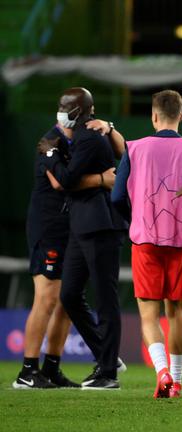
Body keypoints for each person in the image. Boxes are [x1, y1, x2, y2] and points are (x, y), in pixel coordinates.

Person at [110, 90, 182, 398]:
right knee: (177, 312)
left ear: (153, 116)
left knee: (149, 315)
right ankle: (176, 380)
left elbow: (117, 197)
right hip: (179, 240)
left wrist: (135, 219)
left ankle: (161, 373)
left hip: (144, 239)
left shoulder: (133, 150)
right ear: (181, 116)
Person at [13, 116, 118, 389]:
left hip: (68, 226)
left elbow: (121, 151)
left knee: (64, 300)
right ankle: (27, 370)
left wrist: (110, 128)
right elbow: (62, 183)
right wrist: (99, 180)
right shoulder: (49, 143)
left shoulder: (76, 141)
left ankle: (50, 369)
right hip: (48, 227)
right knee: (46, 297)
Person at [38, 87, 128, 389]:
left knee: (105, 296)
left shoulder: (89, 137)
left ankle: (108, 373)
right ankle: (106, 355)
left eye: (65, 107)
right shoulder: (85, 136)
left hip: (100, 223)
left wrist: (50, 153)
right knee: (69, 295)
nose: (60, 111)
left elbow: (66, 179)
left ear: (78, 111)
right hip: (82, 223)